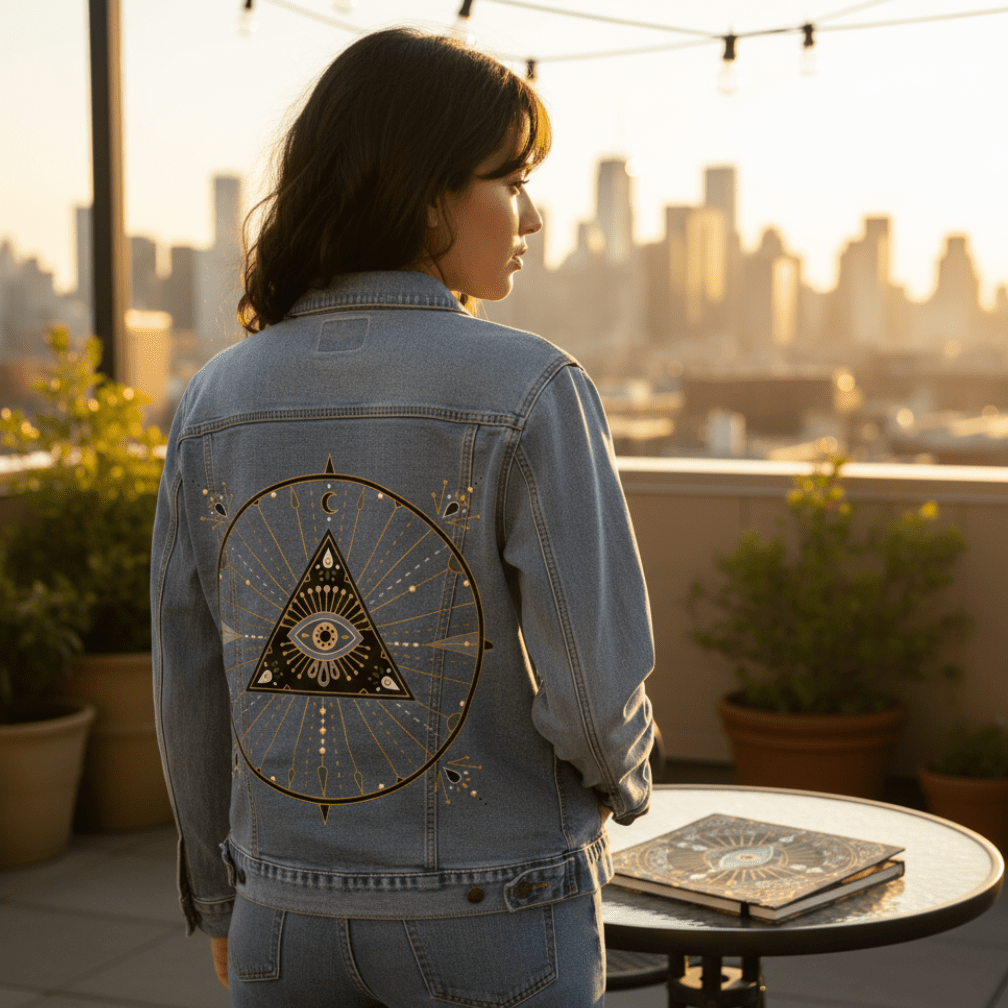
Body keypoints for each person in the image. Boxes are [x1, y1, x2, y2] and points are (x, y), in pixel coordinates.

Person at [152, 27, 654, 1008]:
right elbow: (595, 698)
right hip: (495, 913)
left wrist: (221, 897)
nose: (533, 215)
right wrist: (626, 784)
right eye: (510, 180)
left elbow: (189, 683)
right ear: (425, 195)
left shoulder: (212, 399)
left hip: (279, 921)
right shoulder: (531, 386)